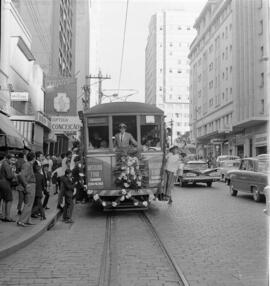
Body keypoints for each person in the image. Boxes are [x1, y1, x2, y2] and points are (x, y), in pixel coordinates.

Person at [17, 152, 36, 227]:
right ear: (33, 157)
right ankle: (21, 221)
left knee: (29, 203)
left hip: (31, 185)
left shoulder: (29, 164)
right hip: (30, 185)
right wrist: (26, 184)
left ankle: (27, 219)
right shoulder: (27, 164)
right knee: (28, 204)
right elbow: (21, 175)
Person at [0, 154, 16, 222]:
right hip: (5, 183)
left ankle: (3, 216)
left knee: (5, 200)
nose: (13, 161)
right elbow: (9, 176)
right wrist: (14, 173)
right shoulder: (7, 165)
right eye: (12, 160)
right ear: (8, 159)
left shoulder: (3, 164)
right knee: (9, 200)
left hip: (2, 183)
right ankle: (8, 217)